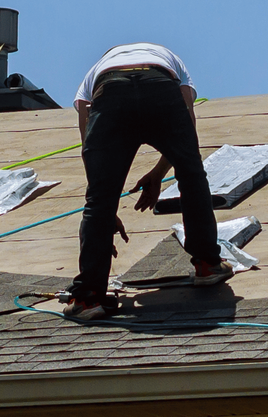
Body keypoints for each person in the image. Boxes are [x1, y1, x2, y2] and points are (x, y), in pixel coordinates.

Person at [65, 42, 231, 319]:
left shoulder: (96, 71)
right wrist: (160, 172)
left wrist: (104, 210)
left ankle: (88, 300)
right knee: (192, 175)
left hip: (110, 92)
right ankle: (207, 265)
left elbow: (88, 144)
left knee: (98, 200)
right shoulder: (169, 59)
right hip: (160, 85)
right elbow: (187, 134)